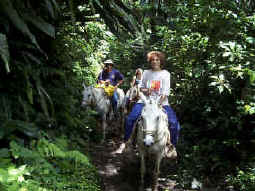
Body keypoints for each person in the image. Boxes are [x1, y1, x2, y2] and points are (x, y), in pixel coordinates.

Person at [115, 51, 181, 158]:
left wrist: (158, 104)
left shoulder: (165, 74)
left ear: (161, 61)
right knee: (130, 119)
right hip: (144, 101)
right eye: (152, 60)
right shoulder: (146, 73)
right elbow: (140, 88)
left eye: (157, 60)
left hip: (161, 103)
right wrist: (147, 90)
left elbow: (165, 92)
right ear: (150, 62)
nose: (154, 62)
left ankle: (171, 147)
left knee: (174, 124)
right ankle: (126, 142)